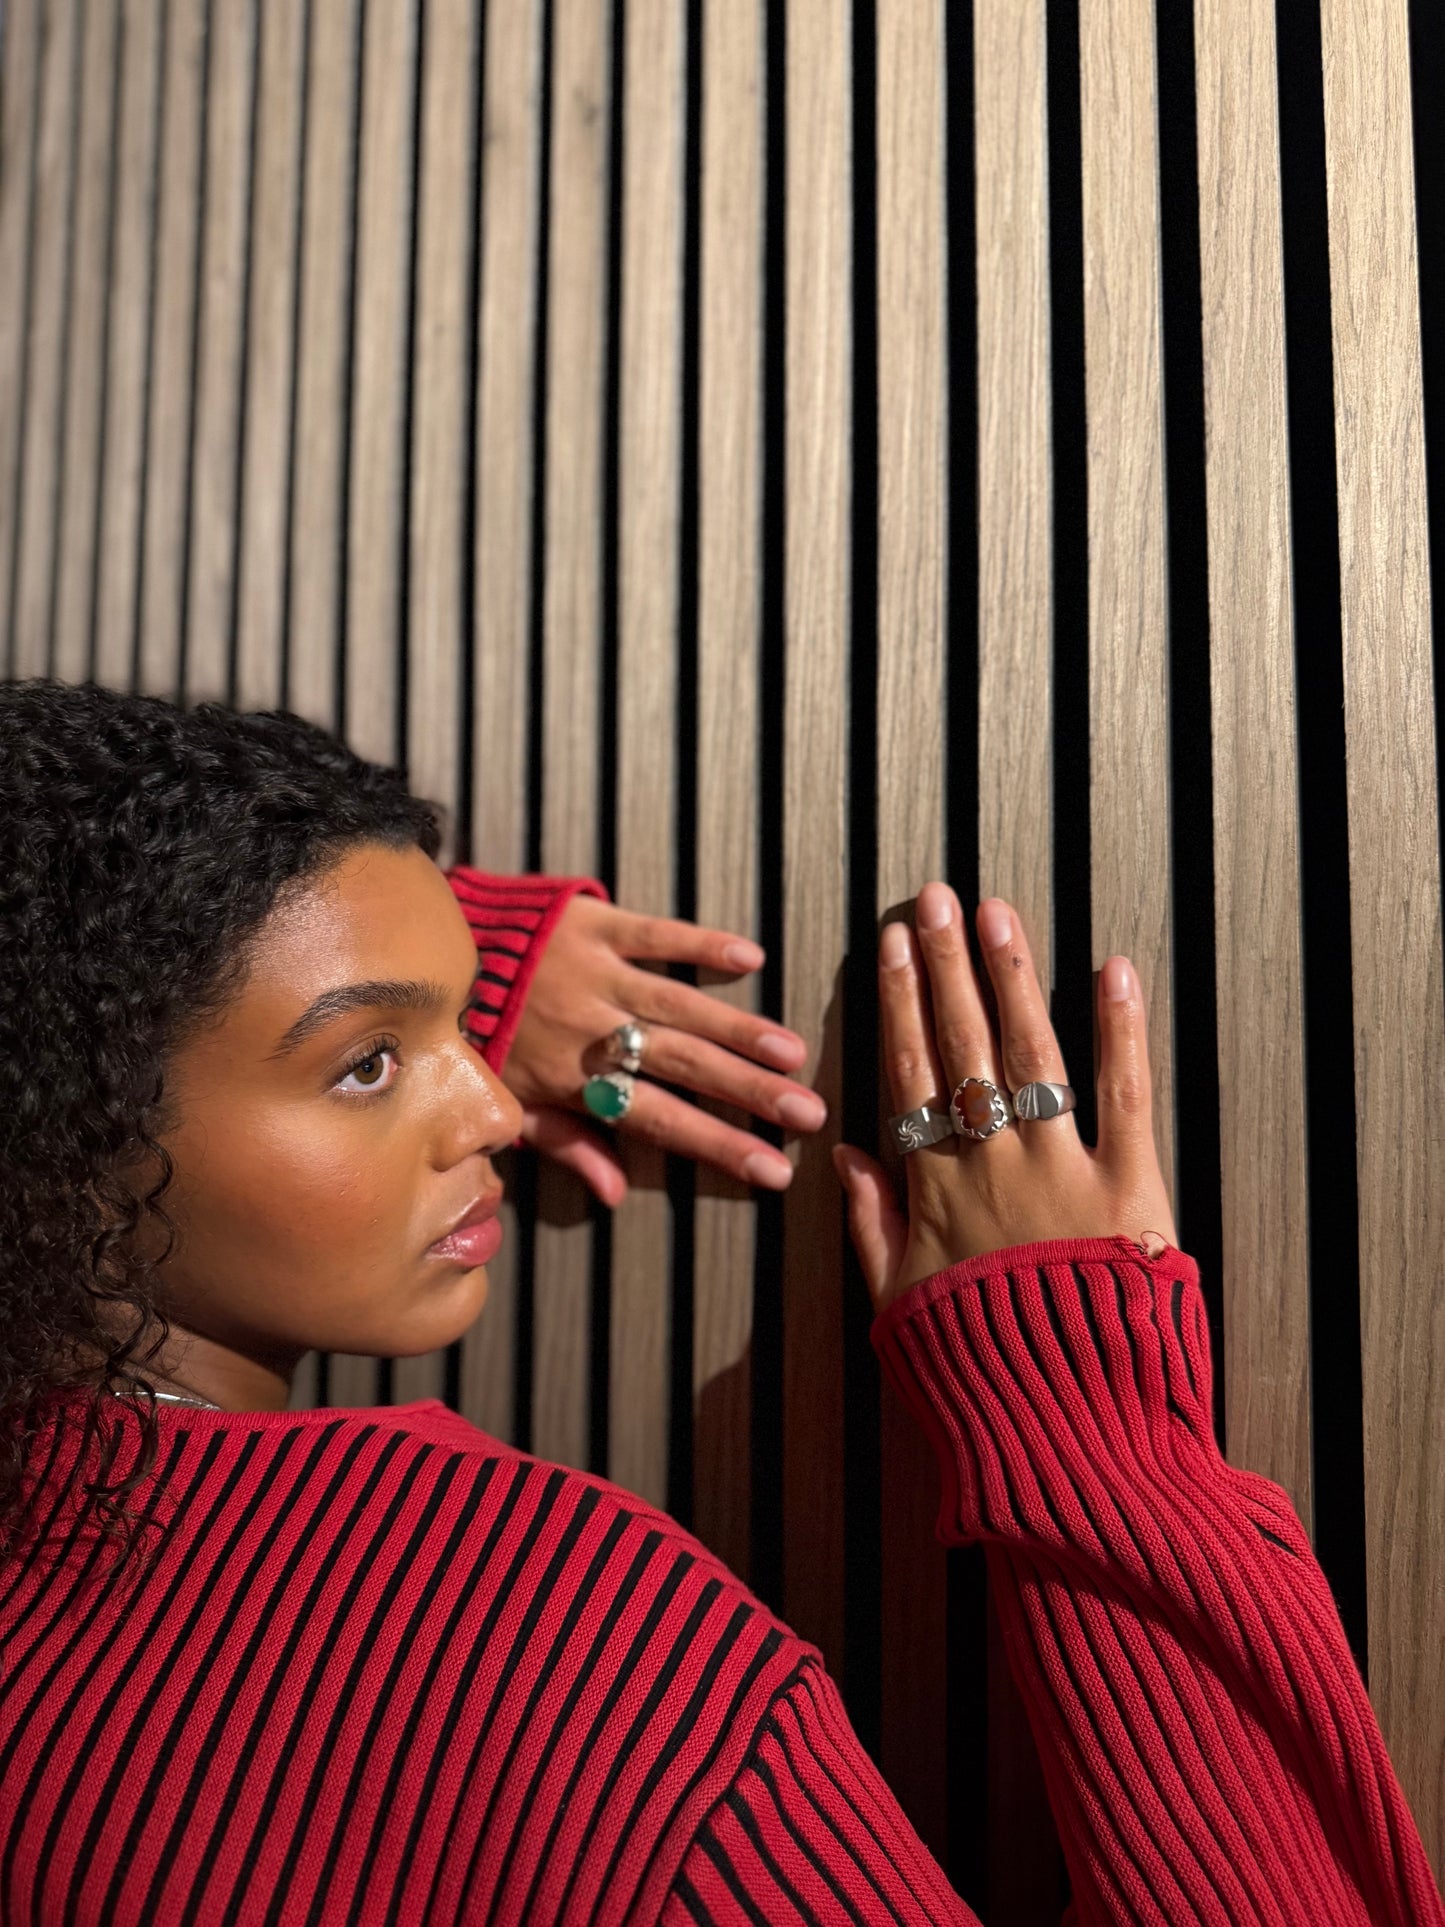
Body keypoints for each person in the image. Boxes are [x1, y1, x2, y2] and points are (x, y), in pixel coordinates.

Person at [0, 679, 1437, 1926]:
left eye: (458, 1021)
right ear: (59, 1114)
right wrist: (1080, 1424)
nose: (494, 1107)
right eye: (367, 1063)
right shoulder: (538, 1638)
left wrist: (314, 940)